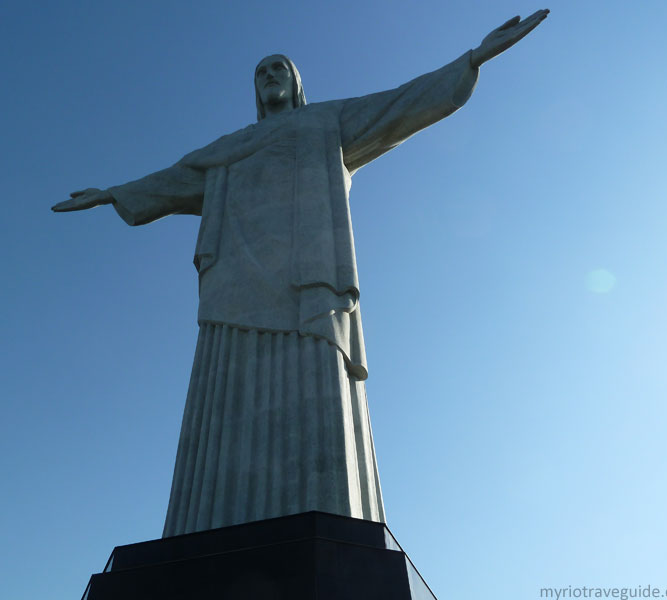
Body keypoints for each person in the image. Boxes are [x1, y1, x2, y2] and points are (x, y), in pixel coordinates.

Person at [53, 10, 550, 537]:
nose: (269, 75)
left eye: (278, 69)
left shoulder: (326, 122)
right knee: (225, 392)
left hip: (307, 284)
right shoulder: (227, 150)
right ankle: (207, 530)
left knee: (316, 386)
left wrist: (471, 60)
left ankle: (326, 520)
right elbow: (175, 179)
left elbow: (400, 104)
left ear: (296, 83)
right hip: (233, 292)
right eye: (261, 71)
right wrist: (112, 192)